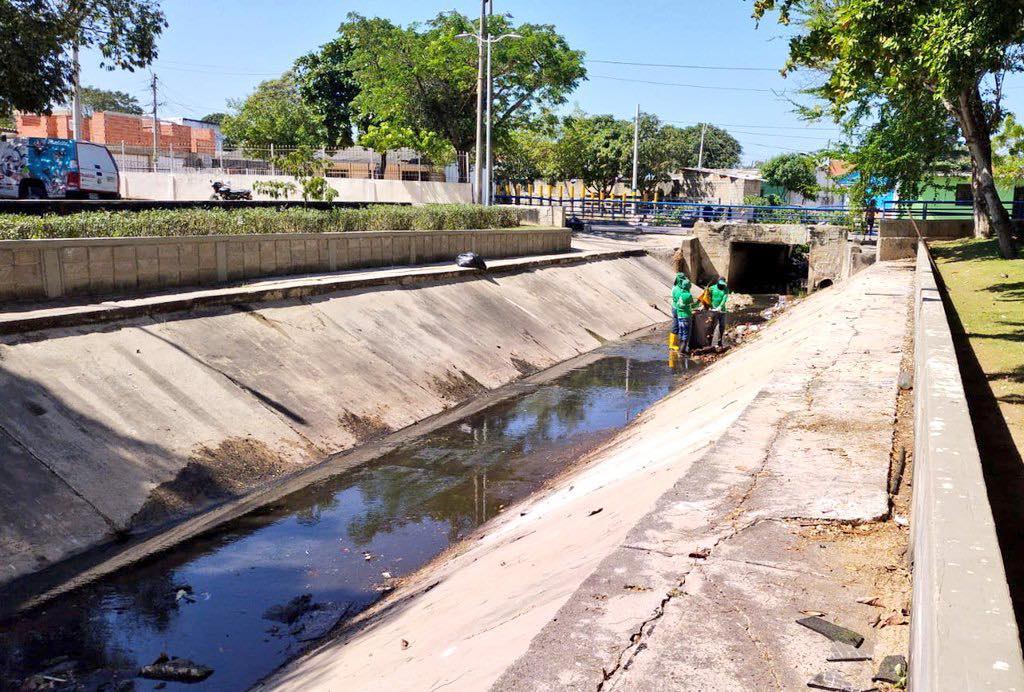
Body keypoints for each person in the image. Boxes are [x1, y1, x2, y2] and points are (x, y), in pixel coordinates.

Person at [673, 276, 696, 353]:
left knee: (681, 333)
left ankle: (679, 349)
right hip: (686, 317)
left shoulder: (678, 292)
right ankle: (682, 352)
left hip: (679, 316)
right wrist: (699, 301)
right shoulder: (688, 295)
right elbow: (693, 306)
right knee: (686, 335)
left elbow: (678, 302)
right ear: (689, 287)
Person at [669, 272, 689, 351]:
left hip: (675, 307)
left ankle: (674, 344)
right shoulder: (678, 289)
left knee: (677, 325)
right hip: (677, 309)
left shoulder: (675, 287)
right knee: (677, 325)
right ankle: (673, 345)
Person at [709, 278, 730, 352]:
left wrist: (720, 306)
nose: (722, 286)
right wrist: (709, 306)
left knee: (722, 326)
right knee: (711, 326)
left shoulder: (726, 289)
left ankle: (719, 342)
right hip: (713, 311)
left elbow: (724, 299)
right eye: (720, 284)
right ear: (717, 283)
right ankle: (709, 343)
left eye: (723, 285)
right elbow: (708, 297)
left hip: (722, 311)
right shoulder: (711, 288)